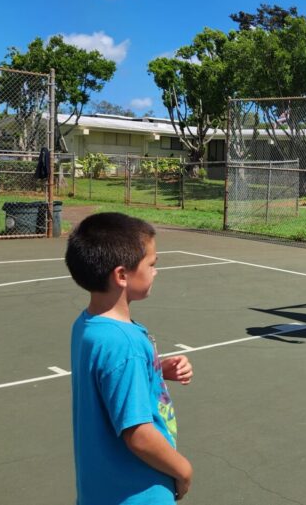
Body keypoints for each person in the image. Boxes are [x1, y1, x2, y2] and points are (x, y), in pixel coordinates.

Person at [66, 212, 194, 503]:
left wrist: (155, 370)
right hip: (139, 493)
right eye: (151, 264)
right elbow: (137, 434)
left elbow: (106, 379)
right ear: (121, 275)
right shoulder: (126, 344)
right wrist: (183, 469)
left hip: (100, 490)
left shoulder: (87, 326)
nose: (156, 271)